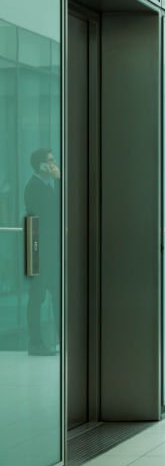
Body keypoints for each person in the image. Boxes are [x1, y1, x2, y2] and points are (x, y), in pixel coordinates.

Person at [24, 148, 60, 356]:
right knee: (37, 297)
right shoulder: (34, 187)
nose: (54, 162)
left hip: (49, 250)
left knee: (57, 294)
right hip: (36, 248)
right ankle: (36, 343)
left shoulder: (50, 185)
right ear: (40, 165)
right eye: (49, 160)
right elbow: (41, 218)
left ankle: (60, 339)